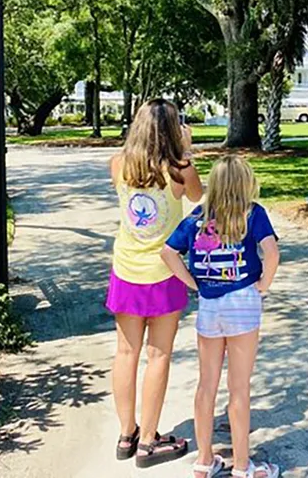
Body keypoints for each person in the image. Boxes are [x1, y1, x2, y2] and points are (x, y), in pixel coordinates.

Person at [161, 156, 281, 478]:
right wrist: (264, 286)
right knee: (239, 388)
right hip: (243, 301)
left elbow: (168, 252)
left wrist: (193, 283)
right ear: (246, 183)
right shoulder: (253, 213)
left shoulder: (197, 218)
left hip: (210, 305)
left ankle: (204, 461)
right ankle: (243, 466)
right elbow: (271, 252)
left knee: (206, 385)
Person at [107, 99, 202, 468]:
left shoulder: (119, 165)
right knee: (158, 354)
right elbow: (197, 196)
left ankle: (126, 433)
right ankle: (149, 440)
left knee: (125, 353)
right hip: (164, 271)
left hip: (126, 269)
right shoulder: (180, 171)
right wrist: (187, 149)